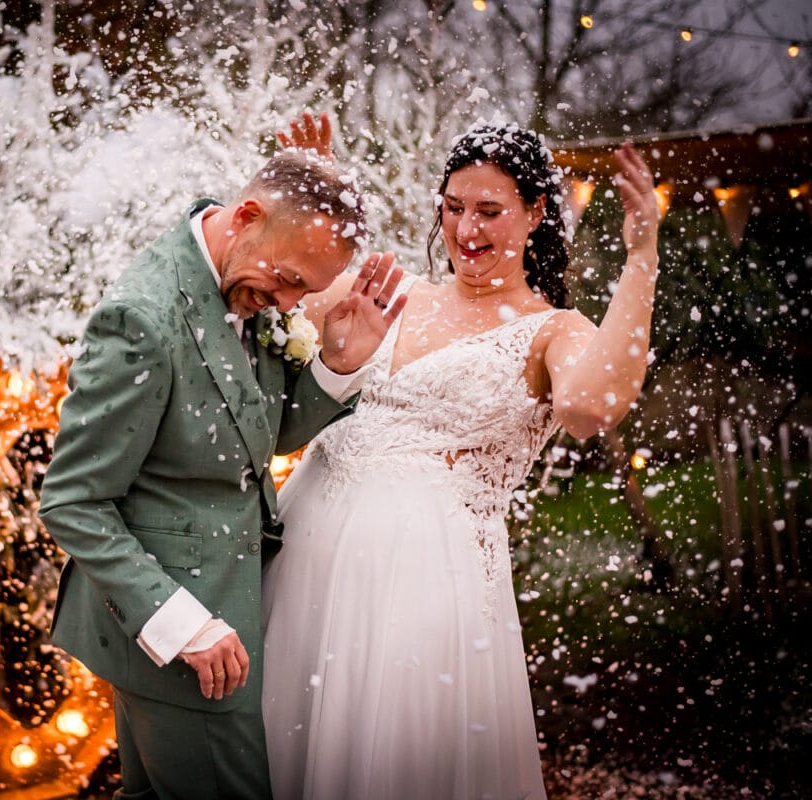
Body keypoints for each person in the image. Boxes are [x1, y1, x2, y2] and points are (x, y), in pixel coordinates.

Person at [261, 118, 660, 799]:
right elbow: (284, 289)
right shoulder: (394, 292)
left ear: (536, 212)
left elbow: (590, 407)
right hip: (299, 570)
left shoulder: (553, 331)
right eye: (452, 208)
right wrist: (315, 188)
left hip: (420, 589)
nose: (466, 230)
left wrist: (642, 254)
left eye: (489, 211)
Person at [38, 119, 408, 800]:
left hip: (229, 610)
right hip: (187, 644)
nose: (289, 305)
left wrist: (335, 364)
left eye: (304, 292)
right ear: (246, 217)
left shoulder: (244, 275)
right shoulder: (143, 321)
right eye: (288, 281)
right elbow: (73, 500)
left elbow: (256, 437)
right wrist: (183, 625)